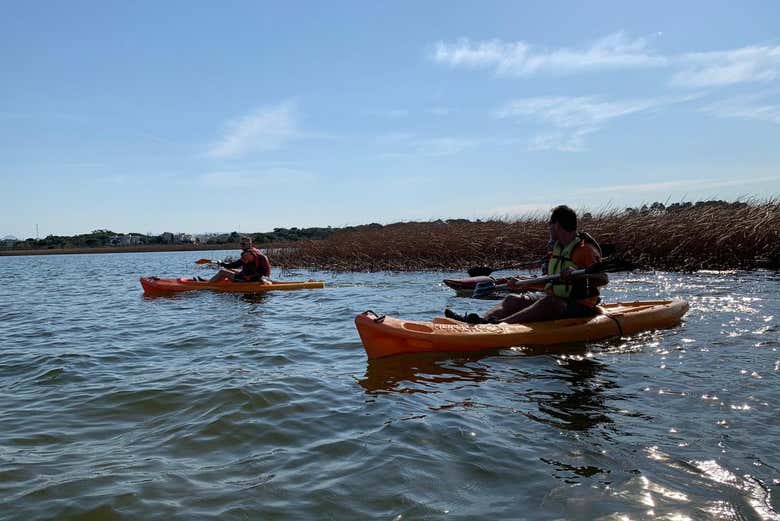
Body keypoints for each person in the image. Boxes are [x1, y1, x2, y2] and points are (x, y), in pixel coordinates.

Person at [446, 205, 608, 324]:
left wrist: (578, 275)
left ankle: (499, 325)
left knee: (548, 302)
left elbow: (602, 279)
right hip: (555, 298)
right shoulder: (557, 250)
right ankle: (479, 321)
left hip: (581, 306)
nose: (549, 228)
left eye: (550, 224)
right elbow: (550, 281)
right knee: (512, 299)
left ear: (557, 225)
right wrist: (520, 282)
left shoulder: (584, 250)